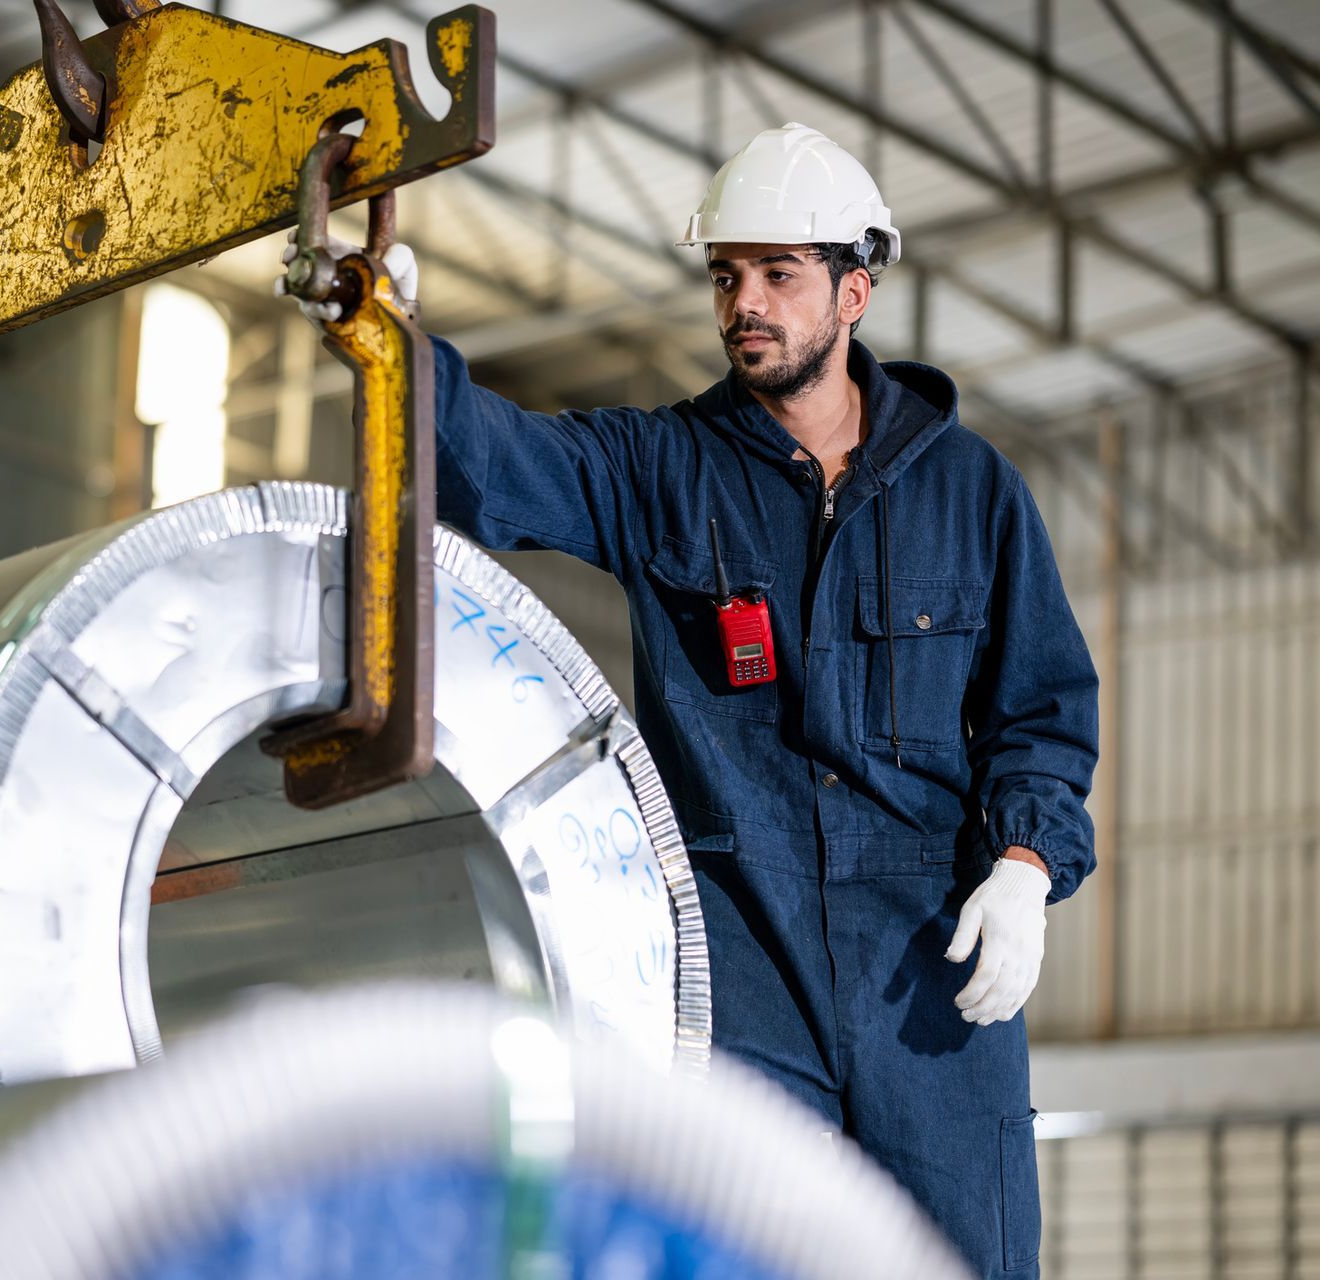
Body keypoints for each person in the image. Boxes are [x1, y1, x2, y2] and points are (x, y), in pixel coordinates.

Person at [279, 121, 1098, 1278]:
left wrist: (1023, 868)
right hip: (737, 957)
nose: (743, 303)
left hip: (926, 958)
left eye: (778, 274)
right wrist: (392, 340)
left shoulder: (972, 494)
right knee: (736, 1249)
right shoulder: (660, 468)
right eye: (726, 275)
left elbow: (1042, 709)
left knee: (964, 1256)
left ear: (854, 290)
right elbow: (489, 465)